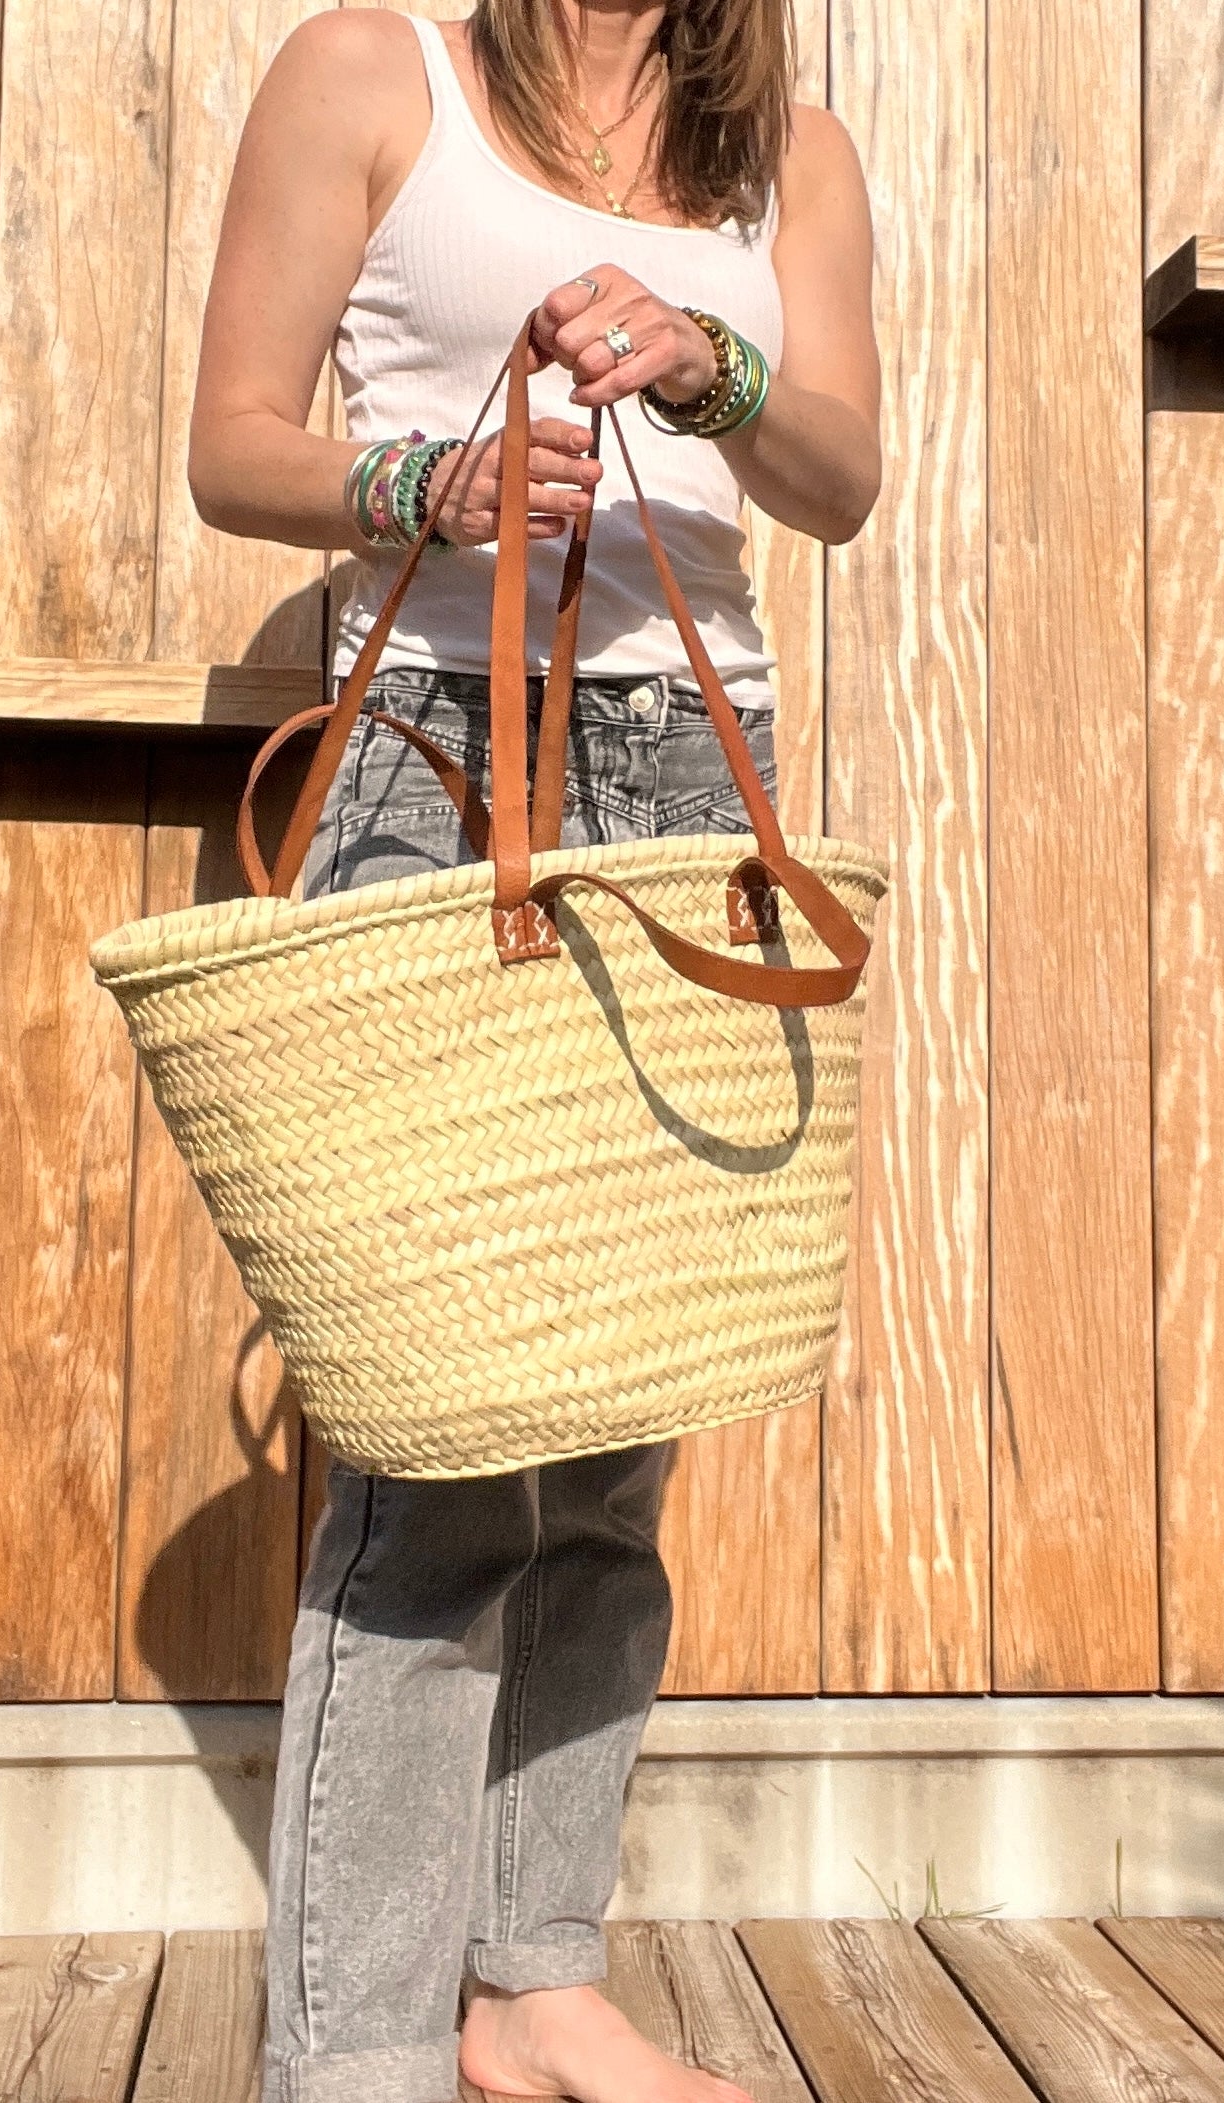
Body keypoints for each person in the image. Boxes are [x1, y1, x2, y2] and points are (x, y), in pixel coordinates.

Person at [188, 1, 880, 2097]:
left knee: (617, 1436)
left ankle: (532, 1976)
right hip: (436, 757)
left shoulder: (791, 149)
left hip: (696, 777)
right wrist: (436, 479)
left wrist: (709, 363)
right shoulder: (371, 73)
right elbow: (232, 445)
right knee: (436, 1457)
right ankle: (363, 2046)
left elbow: (841, 478)